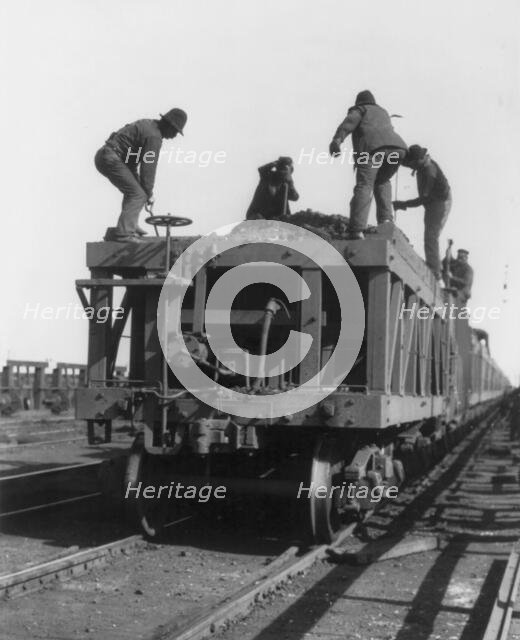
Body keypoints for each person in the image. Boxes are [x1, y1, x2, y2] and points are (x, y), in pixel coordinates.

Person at [95, 108, 187, 242]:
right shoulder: (154, 137)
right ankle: (125, 233)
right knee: (138, 194)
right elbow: (148, 169)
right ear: (168, 126)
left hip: (107, 156)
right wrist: (149, 193)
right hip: (111, 158)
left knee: (135, 190)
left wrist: (144, 189)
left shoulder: (149, 125)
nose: (174, 136)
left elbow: (131, 165)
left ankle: (129, 226)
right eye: (175, 131)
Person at [329, 90, 407, 239]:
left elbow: (349, 123)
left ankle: (357, 230)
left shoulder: (361, 109)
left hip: (373, 150)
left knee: (365, 185)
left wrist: (337, 140)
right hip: (397, 150)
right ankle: (386, 221)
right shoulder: (382, 112)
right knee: (382, 181)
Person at [393, 145, 451, 280]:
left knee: (431, 235)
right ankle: (435, 266)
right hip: (432, 200)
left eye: (413, 164)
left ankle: (435, 271)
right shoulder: (420, 162)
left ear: (419, 160)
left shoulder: (429, 171)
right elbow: (406, 162)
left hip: (439, 202)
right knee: (430, 233)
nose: (411, 166)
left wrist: (403, 204)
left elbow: (423, 199)